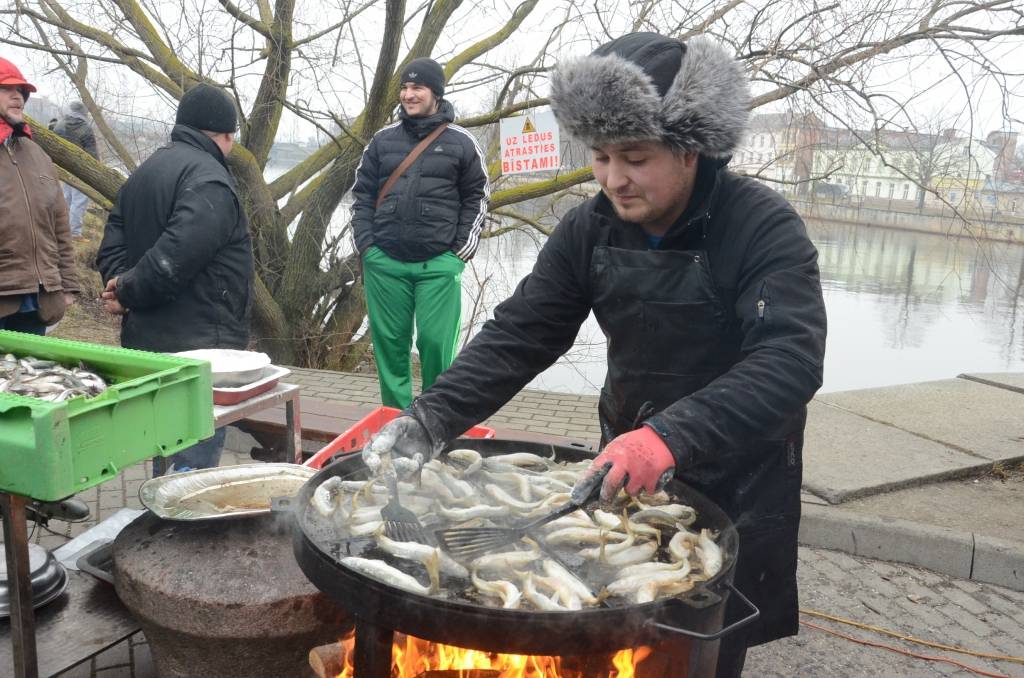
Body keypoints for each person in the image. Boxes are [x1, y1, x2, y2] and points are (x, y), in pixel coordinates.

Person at [364, 33, 828, 677]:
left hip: (739, 478)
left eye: (634, 158)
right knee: (615, 632)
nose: (613, 179)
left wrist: (666, 437)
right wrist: (432, 416)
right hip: (625, 470)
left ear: (690, 148)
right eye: (602, 157)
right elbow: (522, 332)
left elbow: (790, 359)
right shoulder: (590, 227)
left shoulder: (761, 226)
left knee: (699, 647)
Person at [96, 83, 253, 476]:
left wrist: (119, 284)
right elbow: (175, 257)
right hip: (200, 346)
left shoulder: (147, 170)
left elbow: (114, 235)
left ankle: (158, 517)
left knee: (163, 444)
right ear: (226, 135)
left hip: (149, 341)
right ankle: (178, 527)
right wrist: (128, 291)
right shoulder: (210, 179)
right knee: (192, 461)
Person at [350, 57, 489, 410]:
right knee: (390, 347)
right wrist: (367, 246)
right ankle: (395, 422)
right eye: (405, 87)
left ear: (436, 94)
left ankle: (435, 419)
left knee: (435, 345)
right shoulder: (381, 142)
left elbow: (478, 196)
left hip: (439, 264)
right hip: (385, 263)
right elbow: (361, 195)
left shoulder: (461, 143)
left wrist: (459, 253)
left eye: (418, 88)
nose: (408, 95)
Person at [0, 57, 78, 335]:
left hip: (37, 301)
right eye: (7, 88)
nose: (17, 96)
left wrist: (67, 284)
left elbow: (59, 224)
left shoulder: (37, 154)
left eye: (21, 91)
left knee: (26, 378)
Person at [53, 101, 99, 237]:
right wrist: (97, 171)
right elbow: (92, 153)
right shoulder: (85, 127)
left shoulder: (60, 124)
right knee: (79, 200)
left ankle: (61, 229)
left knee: (66, 198)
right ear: (83, 112)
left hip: (64, 168)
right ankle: (74, 233)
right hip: (82, 170)